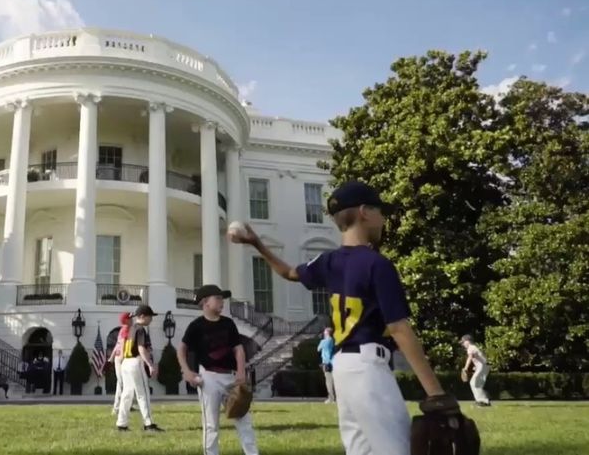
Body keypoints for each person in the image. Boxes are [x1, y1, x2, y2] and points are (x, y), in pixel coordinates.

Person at [231, 180, 456, 455]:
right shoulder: (378, 264)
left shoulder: (328, 261)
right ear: (364, 212)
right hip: (369, 368)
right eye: (379, 211)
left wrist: (256, 243)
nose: (383, 218)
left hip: (343, 370)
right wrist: (435, 392)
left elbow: (289, 273)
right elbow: (398, 328)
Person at [177, 284, 258, 455]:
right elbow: (181, 349)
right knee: (211, 424)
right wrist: (187, 371)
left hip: (231, 378)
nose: (222, 302)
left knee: (244, 420)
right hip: (209, 379)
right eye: (218, 298)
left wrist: (241, 372)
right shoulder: (196, 326)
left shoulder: (228, 323)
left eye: (223, 299)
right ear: (205, 302)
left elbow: (238, 349)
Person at [116, 304, 163, 432]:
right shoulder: (140, 329)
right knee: (143, 393)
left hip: (125, 363)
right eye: (150, 317)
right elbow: (141, 348)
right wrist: (150, 365)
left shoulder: (128, 328)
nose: (151, 319)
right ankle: (148, 424)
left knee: (127, 394)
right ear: (142, 316)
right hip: (135, 363)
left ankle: (121, 423)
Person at [108, 312, 131, 414]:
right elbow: (121, 345)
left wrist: (112, 357)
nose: (132, 319)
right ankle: (116, 408)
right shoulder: (126, 329)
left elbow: (117, 344)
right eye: (130, 318)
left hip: (120, 357)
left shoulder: (123, 329)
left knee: (125, 383)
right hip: (122, 358)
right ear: (126, 320)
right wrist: (121, 358)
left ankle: (126, 405)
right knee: (122, 383)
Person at [460, 335, 491, 407]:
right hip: (484, 366)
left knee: (475, 383)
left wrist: (465, 368)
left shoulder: (471, 348)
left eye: (463, 342)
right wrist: (477, 367)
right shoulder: (474, 347)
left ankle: (483, 401)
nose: (463, 344)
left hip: (483, 367)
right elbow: (482, 358)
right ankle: (482, 400)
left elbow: (469, 358)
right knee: (476, 383)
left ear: (468, 341)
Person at [317, 327, 336, 403]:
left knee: (329, 381)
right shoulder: (333, 340)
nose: (323, 333)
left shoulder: (323, 341)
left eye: (324, 332)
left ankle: (331, 398)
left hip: (326, 363)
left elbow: (318, 349)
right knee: (335, 380)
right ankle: (336, 398)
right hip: (333, 361)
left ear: (327, 333)